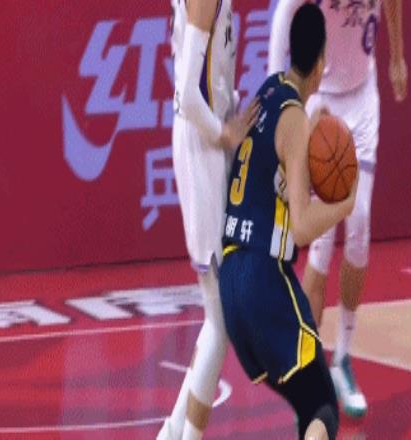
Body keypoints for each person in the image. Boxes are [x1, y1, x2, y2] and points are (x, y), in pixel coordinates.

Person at [219, 4, 357, 439]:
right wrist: (344, 204)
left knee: (306, 402)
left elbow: (269, 158)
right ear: (321, 62)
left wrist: (310, 125)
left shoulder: (269, 90)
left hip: (232, 282)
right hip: (264, 280)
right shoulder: (294, 120)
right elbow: (300, 226)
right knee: (323, 404)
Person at [268, 0, 408, 418]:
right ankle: (310, 375)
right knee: (322, 241)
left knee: (359, 222)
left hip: (362, 99)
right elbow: (283, 13)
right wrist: (279, 93)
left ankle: (343, 358)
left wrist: (397, 57)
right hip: (322, 100)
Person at [157, 0, 259, 439]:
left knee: (219, 318)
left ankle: (171, 432)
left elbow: (209, 78)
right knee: (221, 319)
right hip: (202, 149)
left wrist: (230, 113)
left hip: (209, 146)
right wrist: (224, 132)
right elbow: (186, 94)